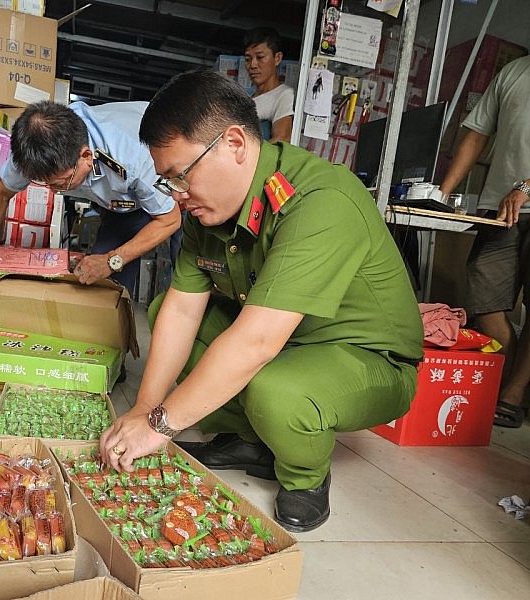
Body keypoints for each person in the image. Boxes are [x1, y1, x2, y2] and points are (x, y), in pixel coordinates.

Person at [98, 69, 423, 533]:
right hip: (285, 341)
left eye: (180, 176)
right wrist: (144, 408)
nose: (178, 196)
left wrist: (159, 427)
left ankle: (305, 474)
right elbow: (182, 310)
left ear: (234, 143)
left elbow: (257, 342)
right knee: (166, 313)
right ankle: (250, 439)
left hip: (364, 356)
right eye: (168, 184)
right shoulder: (205, 211)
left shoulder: (319, 199)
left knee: (275, 389)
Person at [0, 101, 182, 295]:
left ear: (86, 156)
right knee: (105, 288)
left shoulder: (136, 157)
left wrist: (111, 261)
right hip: (119, 203)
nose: (54, 191)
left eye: (60, 183)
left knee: (184, 270)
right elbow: (0, 193)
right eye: (45, 183)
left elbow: (169, 220)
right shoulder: (34, 148)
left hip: (175, 188)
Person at [439, 55, 530, 428]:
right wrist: (441, 195)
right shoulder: (513, 71)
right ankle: (506, 382)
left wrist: (527, 187)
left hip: (522, 197)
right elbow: (476, 135)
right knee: (484, 297)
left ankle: (512, 395)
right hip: (499, 207)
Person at [243, 27, 294, 144]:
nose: (253, 65)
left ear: (277, 58)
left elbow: (282, 139)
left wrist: (249, 153)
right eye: (247, 59)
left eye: (260, 57)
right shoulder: (248, 97)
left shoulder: (283, 95)